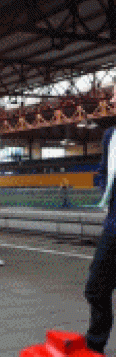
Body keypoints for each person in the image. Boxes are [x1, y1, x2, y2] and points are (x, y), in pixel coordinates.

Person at [84, 126, 116, 353]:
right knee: (96, 287)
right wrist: (106, 193)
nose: (113, 98)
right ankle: (95, 346)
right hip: (114, 225)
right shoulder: (111, 135)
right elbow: (103, 170)